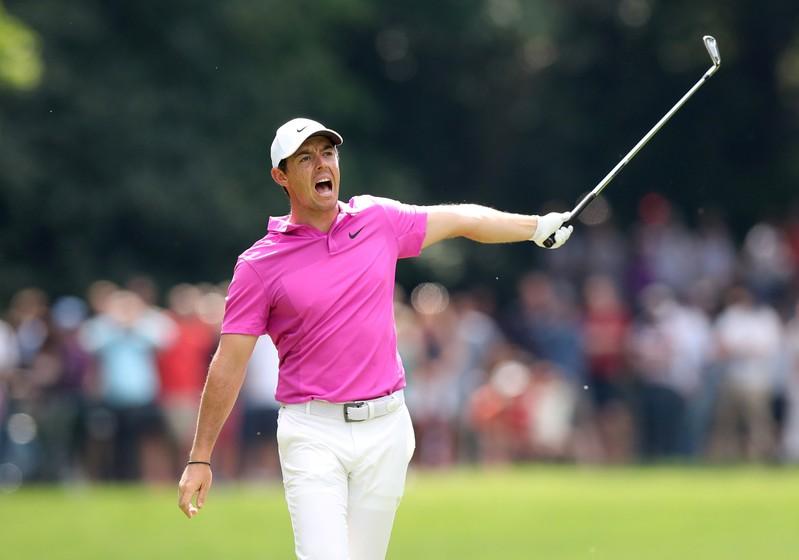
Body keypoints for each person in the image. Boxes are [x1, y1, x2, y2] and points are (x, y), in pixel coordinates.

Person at [177, 117, 573, 559]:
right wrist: (200, 456)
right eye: (305, 158)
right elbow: (228, 363)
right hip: (312, 431)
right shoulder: (259, 265)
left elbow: (463, 219)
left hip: (386, 428)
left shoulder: (377, 219)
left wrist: (536, 226)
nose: (321, 164)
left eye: (327, 154)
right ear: (281, 176)